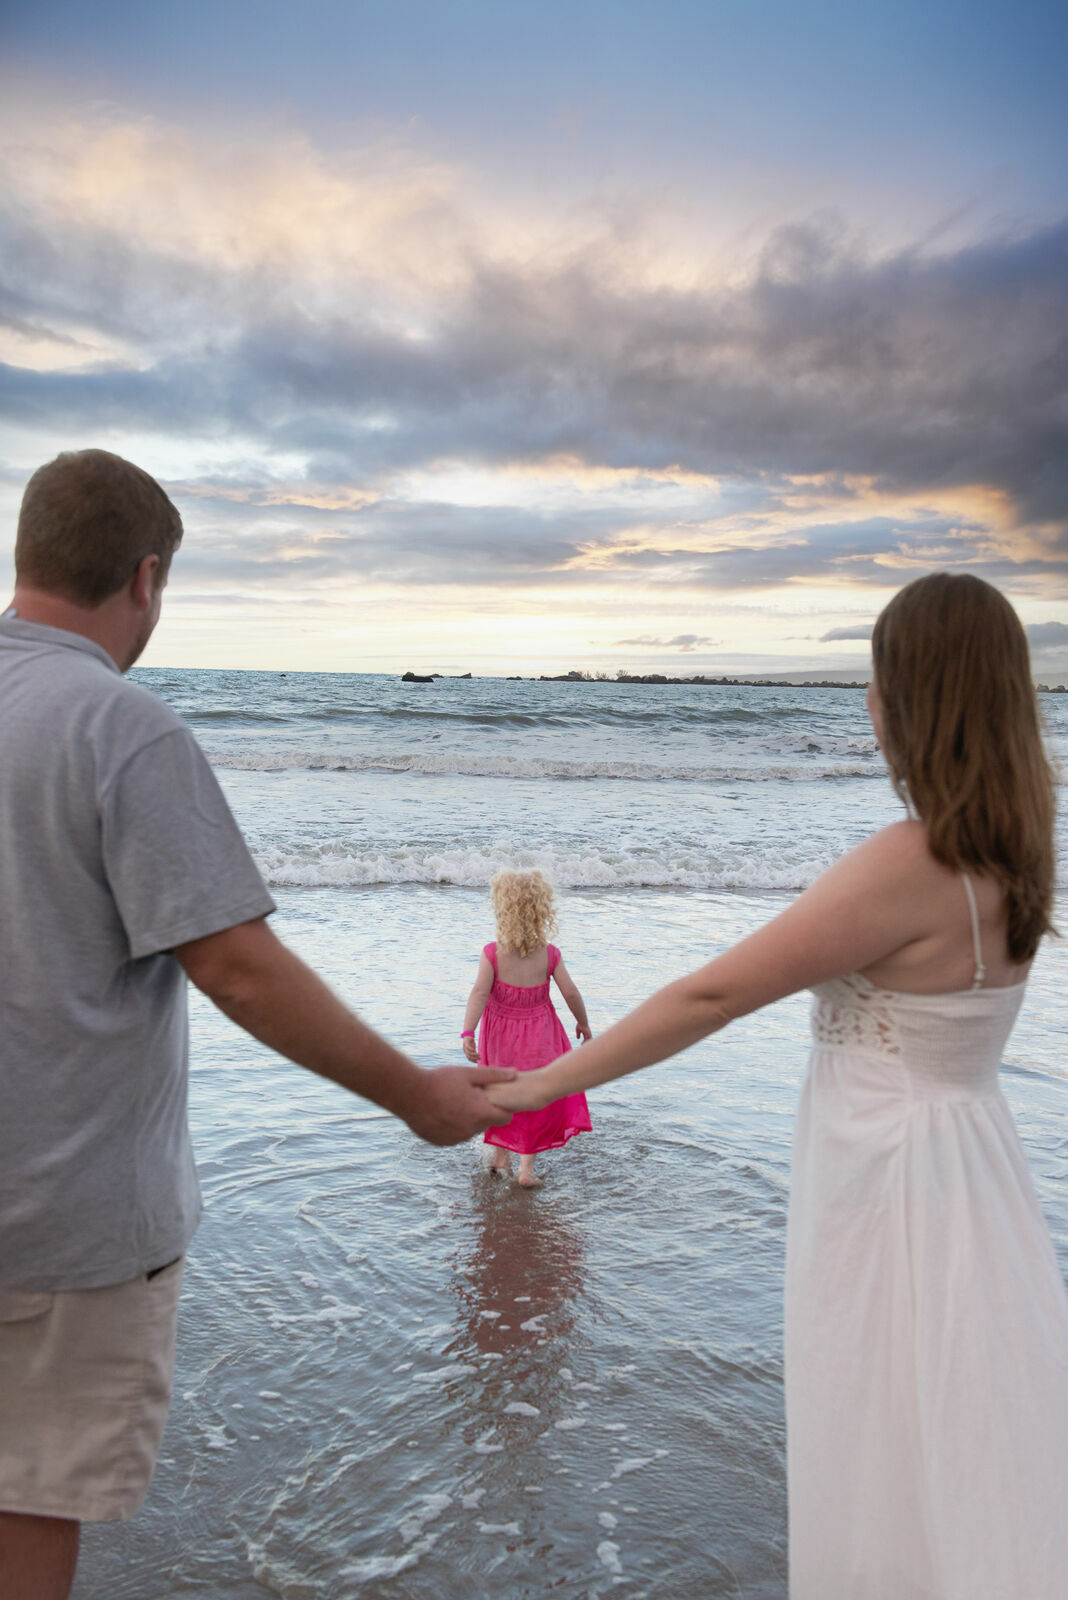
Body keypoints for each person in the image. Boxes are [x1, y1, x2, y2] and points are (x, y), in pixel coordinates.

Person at [486, 574, 1068, 1599]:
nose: (867, 706)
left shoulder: (912, 861)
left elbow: (711, 996)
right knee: (964, 1437)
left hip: (890, 1190)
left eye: (879, 683)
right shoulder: (1013, 856)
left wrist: (530, 1088)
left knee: (881, 1440)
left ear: (917, 700)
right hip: (975, 1180)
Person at [0, 449, 515, 1600]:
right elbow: (236, 964)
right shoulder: (119, 728)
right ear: (146, 578)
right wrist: (416, 1094)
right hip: (52, 1229)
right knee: (26, 1499)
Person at [461, 869, 592, 1187]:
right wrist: (583, 1023)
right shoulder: (549, 954)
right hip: (541, 1036)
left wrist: (468, 1032)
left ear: (501, 910)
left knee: (501, 1094)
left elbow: (479, 993)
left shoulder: (492, 953)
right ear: (542, 910)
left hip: (500, 1039)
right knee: (534, 1096)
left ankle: (501, 1157)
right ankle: (525, 1171)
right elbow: (571, 991)